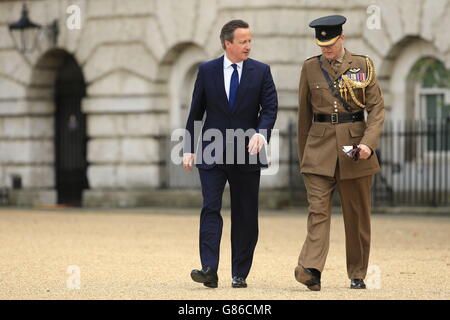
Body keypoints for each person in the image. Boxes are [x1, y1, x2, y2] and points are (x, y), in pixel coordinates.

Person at [182, 19, 278, 288]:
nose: (248, 46)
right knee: (210, 208)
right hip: (212, 152)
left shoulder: (261, 71)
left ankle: (239, 273)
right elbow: (195, 112)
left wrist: (261, 133)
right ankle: (209, 269)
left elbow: (269, 108)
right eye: (243, 41)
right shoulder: (207, 70)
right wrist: (189, 148)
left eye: (249, 41)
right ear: (228, 43)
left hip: (247, 152)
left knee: (245, 213)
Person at [295, 15, 384, 291]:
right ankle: (311, 269)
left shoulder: (362, 66)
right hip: (319, 150)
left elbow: (377, 109)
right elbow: (303, 117)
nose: (327, 49)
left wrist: (368, 144)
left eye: (331, 43)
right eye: (322, 45)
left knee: (357, 215)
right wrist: (304, 158)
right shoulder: (310, 68)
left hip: (355, 149)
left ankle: (357, 273)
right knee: (318, 212)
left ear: (342, 38)